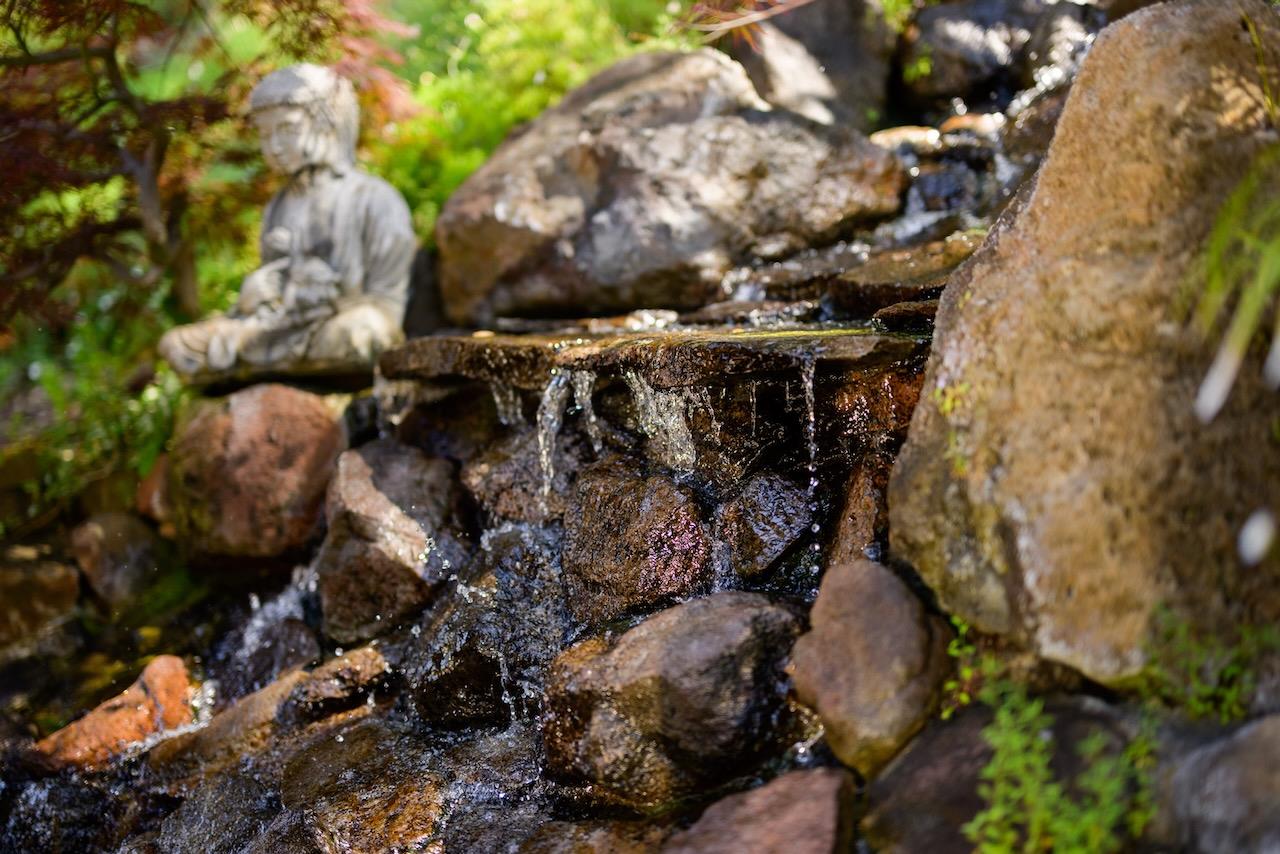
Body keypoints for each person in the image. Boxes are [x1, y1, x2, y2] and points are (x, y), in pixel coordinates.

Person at [159, 64, 415, 380]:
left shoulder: (374, 198)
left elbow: (385, 304)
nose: (275, 147)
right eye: (265, 135)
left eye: (288, 130)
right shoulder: (279, 205)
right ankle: (272, 362)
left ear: (327, 124)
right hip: (277, 326)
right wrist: (258, 292)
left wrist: (320, 289)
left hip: (343, 323)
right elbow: (271, 295)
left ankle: (257, 364)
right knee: (177, 344)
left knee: (365, 333)